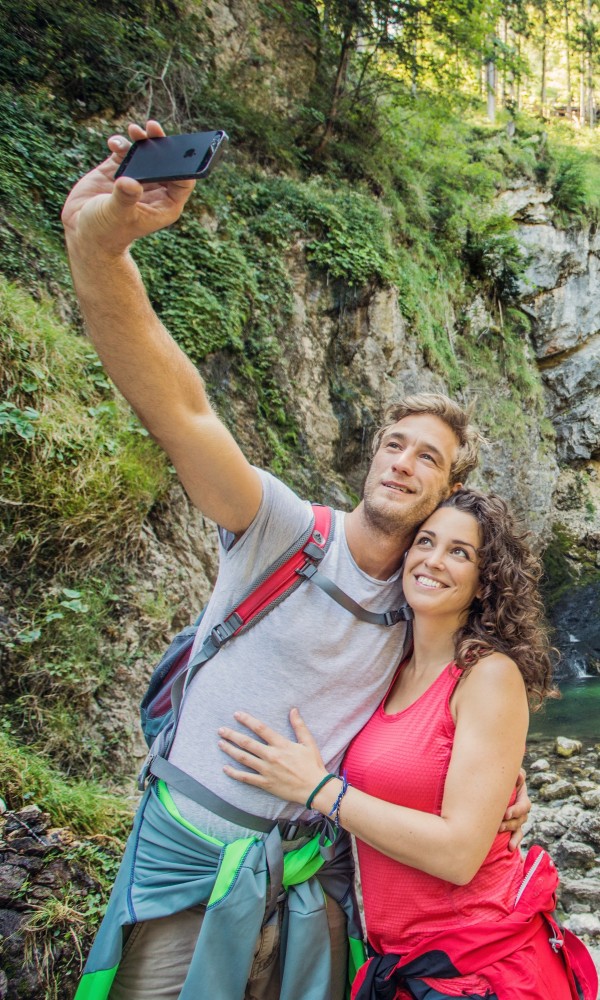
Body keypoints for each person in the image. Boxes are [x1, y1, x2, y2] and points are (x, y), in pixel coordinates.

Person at [62, 120, 531, 1000]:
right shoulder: (282, 528)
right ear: (370, 455)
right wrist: (100, 249)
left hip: (312, 884)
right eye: (396, 444)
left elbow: (449, 728)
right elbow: (180, 406)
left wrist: (507, 792)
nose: (404, 463)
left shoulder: (423, 609)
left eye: (429, 458)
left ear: (448, 494)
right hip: (185, 864)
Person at [218, 490, 599, 1000]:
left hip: (478, 966)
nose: (434, 560)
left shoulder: (487, 676)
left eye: (460, 552)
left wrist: (321, 790)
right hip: (401, 960)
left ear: (486, 580)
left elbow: (460, 854)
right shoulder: (388, 669)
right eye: (426, 541)